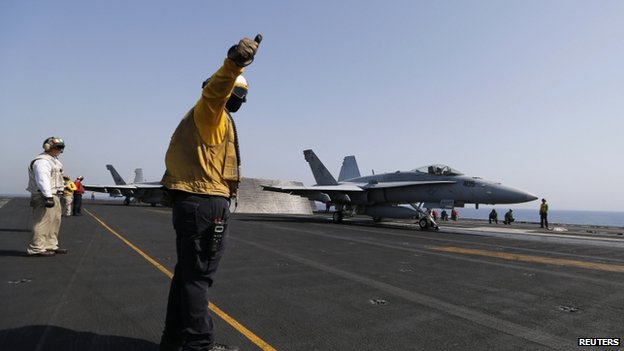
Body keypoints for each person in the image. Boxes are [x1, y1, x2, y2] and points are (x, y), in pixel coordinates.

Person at [159, 35, 261, 351]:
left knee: (188, 275)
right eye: (239, 95)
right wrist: (235, 62)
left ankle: (175, 339)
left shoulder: (203, 118)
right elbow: (217, 90)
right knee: (199, 277)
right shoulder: (210, 111)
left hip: (194, 201)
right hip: (206, 203)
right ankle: (199, 345)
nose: (240, 101)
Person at [25, 137, 68, 257]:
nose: (60, 150)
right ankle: (37, 248)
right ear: (48, 147)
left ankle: (50, 245)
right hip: (44, 195)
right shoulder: (42, 161)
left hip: (55, 194)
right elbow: (42, 179)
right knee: (42, 222)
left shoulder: (54, 161)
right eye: (58, 147)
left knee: (54, 221)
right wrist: (48, 196)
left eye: (61, 148)